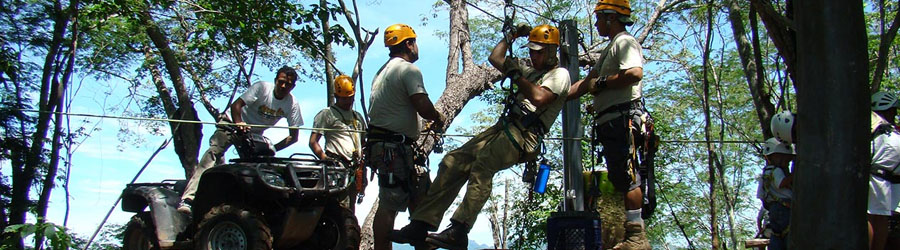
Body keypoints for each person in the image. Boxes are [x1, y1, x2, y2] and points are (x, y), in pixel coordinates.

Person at [391, 23, 570, 250]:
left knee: (483, 164)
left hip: (525, 135)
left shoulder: (560, 75)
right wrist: (512, 35)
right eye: (531, 51)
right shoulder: (531, 71)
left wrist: (516, 75)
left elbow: (539, 98)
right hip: (504, 127)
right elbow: (496, 57)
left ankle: (459, 229)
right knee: (452, 161)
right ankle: (421, 223)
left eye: (539, 51)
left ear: (552, 50)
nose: (533, 56)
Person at [565, 0, 650, 248]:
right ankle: (632, 236)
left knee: (628, 176)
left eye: (599, 18)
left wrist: (601, 84)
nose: (596, 23)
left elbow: (634, 73)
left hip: (623, 118)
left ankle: (636, 238)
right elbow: (585, 84)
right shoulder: (611, 48)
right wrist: (553, 98)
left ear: (611, 18)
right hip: (612, 121)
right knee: (621, 176)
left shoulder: (624, 42)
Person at [178, 66, 303, 213]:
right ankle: (188, 199)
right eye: (281, 82)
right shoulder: (262, 88)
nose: (283, 86)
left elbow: (293, 137)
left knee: (257, 168)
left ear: (293, 86)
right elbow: (236, 105)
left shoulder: (292, 103)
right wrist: (239, 123)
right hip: (232, 123)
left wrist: (272, 149)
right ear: (275, 80)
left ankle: (251, 208)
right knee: (214, 153)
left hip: (253, 135)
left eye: (288, 84)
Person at [366, 23, 445, 250]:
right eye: (415, 42)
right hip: (393, 148)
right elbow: (422, 104)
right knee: (389, 205)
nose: (416, 47)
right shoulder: (408, 70)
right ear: (409, 43)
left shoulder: (381, 72)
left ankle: (424, 245)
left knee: (417, 199)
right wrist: (436, 117)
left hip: (389, 146)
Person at [309, 75, 367, 212]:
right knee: (339, 204)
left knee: (350, 206)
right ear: (336, 96)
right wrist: (324, 159)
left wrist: (364, 168)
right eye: (344, 98)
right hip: (336, 164)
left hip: (355, 166)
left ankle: (349, 230)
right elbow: (313, 142)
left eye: (351, 97)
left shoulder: (357, 117)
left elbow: (363, 142)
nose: (348, 101)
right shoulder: (327, 114)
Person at [869, 112, 900, 250]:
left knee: (868, 213)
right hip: (891, 155)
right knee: (881, 215)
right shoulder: (891, 130)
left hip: (881, 153)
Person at [759, 138, 795, 250]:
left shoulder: (765, 173)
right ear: (774, 157)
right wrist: (794, 175)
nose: (786, 163)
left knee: (777, 235)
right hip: (784, 208)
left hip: (773, 209)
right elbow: (781, 183)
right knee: (790, 233)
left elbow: (761, 195)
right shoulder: (777, 171)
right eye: (785, 160)